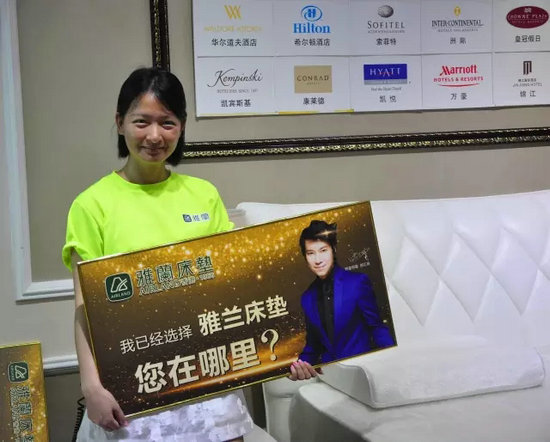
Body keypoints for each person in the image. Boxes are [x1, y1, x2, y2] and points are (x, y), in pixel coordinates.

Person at [62, 67, 253, 441]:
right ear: (120, 122)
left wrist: (285, 350)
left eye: (167, 123)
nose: (154, 135)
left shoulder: (204, 194)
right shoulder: (91, 204)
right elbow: (85, 308)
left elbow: (231, 287)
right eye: (141, 121)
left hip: (206, 369)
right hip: (134, 378)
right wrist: (91, 386)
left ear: (181, 127)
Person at [289, 220, 394, 381]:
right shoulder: (307, 298)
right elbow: (313, 346)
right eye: (310, 253)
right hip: (331, 377)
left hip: (362, 372)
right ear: (305, 257)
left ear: (334, 249)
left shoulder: (357, 283)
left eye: (323, 250)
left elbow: (377, 327)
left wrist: (391, 362)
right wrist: (295, 369)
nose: (318, 259)